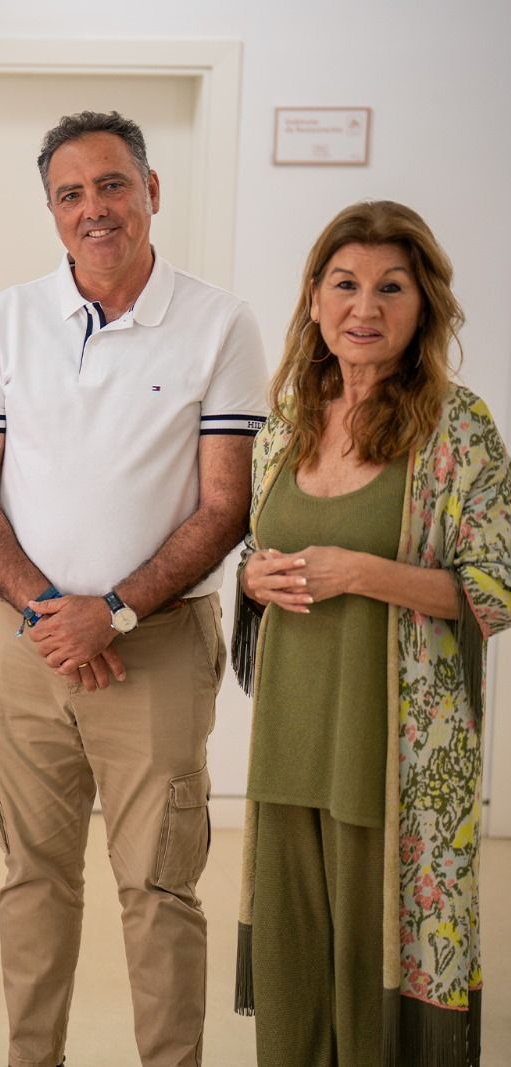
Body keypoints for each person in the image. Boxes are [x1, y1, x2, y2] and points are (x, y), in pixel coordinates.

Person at [0, 110, 266, 1067]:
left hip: (154, 649)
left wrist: (112, 610)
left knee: (158, 887)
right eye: (71, 194)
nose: (96, 209)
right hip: (22, 644)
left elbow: (223, 505)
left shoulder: (220, 325)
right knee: (31, 878)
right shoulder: (7, 318)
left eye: (114, 185)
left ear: (152, 191)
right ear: (51, 211)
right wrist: (50, 610)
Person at [233, 201, 511, 1066]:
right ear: (314, 298)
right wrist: (251, 574)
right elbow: (258, 543)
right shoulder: (287, 420)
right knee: (292, 945)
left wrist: (361, 572)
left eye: (392, 287)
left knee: (373, 952)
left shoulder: (457, 428)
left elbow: (496, 588)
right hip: (290, 733)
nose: (366, 307)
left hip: (396, 749)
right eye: (345, 284)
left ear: (423, 305)